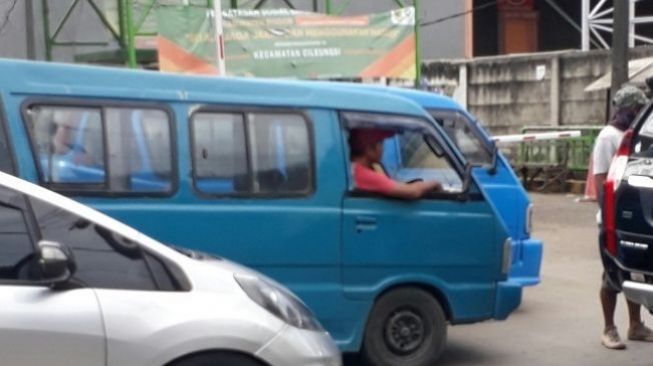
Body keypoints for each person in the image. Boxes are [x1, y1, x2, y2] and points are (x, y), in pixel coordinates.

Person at [593, 85, 653, 349]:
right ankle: (609, 328)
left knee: (632, 271)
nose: (640, 113)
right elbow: (600, 179)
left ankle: (635, 325)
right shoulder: (609, 137)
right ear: (628, 109)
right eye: (638, 109)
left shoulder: (638, 136)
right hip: (611, 217)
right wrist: (609, 219)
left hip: (629, 215)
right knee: (612, 276)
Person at [348, 128, 442, 200]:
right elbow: (411, 192)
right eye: (381, 143)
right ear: (369, 149)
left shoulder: (353, 168)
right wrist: (434, 183)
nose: (383, 149)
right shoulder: (363, 174)